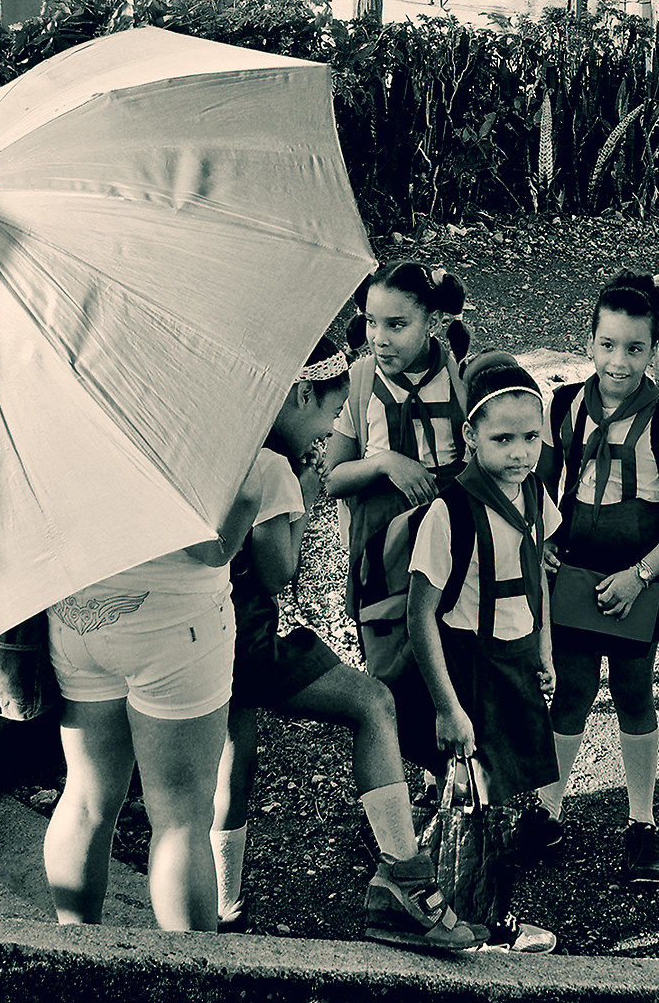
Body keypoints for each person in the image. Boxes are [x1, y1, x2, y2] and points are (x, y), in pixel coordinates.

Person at [210, 339, 480, 950]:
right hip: (248, 636)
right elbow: (280, 571)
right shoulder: (276, 467)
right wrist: (302, 497)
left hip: (198, 631)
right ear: (302, 394)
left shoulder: (221, 438)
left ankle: (224, 906)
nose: (332, 434)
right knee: (371, 704)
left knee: (236, 755)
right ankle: (402, 885)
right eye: (331, 417)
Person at [44, 380, 305, 930]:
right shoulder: (186, 393)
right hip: (173, 624)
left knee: (86, 798)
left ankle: (73, 955)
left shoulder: (64, 383)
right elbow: (211, 548)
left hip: (78, 611)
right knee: (180, 815)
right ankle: (189, 981)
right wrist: (254, 485)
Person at [527, 274, 659, 888]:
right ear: (590, 342)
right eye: (608, 345)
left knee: (635, 693)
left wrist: (641, 575)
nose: (619, 361)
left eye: (634, 348)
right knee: (570, 692)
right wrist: (542, 543)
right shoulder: (561, 408)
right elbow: (538, 486)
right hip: (575, 571)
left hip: (639, 576)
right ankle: (547, 812)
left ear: (653, 348)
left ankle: (642, 822)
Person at [397, 351, 560, 955]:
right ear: (470, 437)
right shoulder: (450, 512)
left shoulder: (534, 492)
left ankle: (486, 916)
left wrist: (543, 648)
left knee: (503, 799)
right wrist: (446, 707)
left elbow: (537, 573)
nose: (519, 452)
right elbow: (420, 614)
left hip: (515, 659)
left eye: (530, 438)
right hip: (468, 667)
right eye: (503, 439)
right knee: (472, 800)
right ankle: (462, 923)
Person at [321, 264, 470, 671]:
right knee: (388, 666)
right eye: (371, 322)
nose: (379, 339)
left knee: (449, 657)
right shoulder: (359, 383)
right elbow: (333, 479)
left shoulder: (460, 380)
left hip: (448, 545)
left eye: (396, 325)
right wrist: (386, 463)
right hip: (380, 555)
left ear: (433, 322)